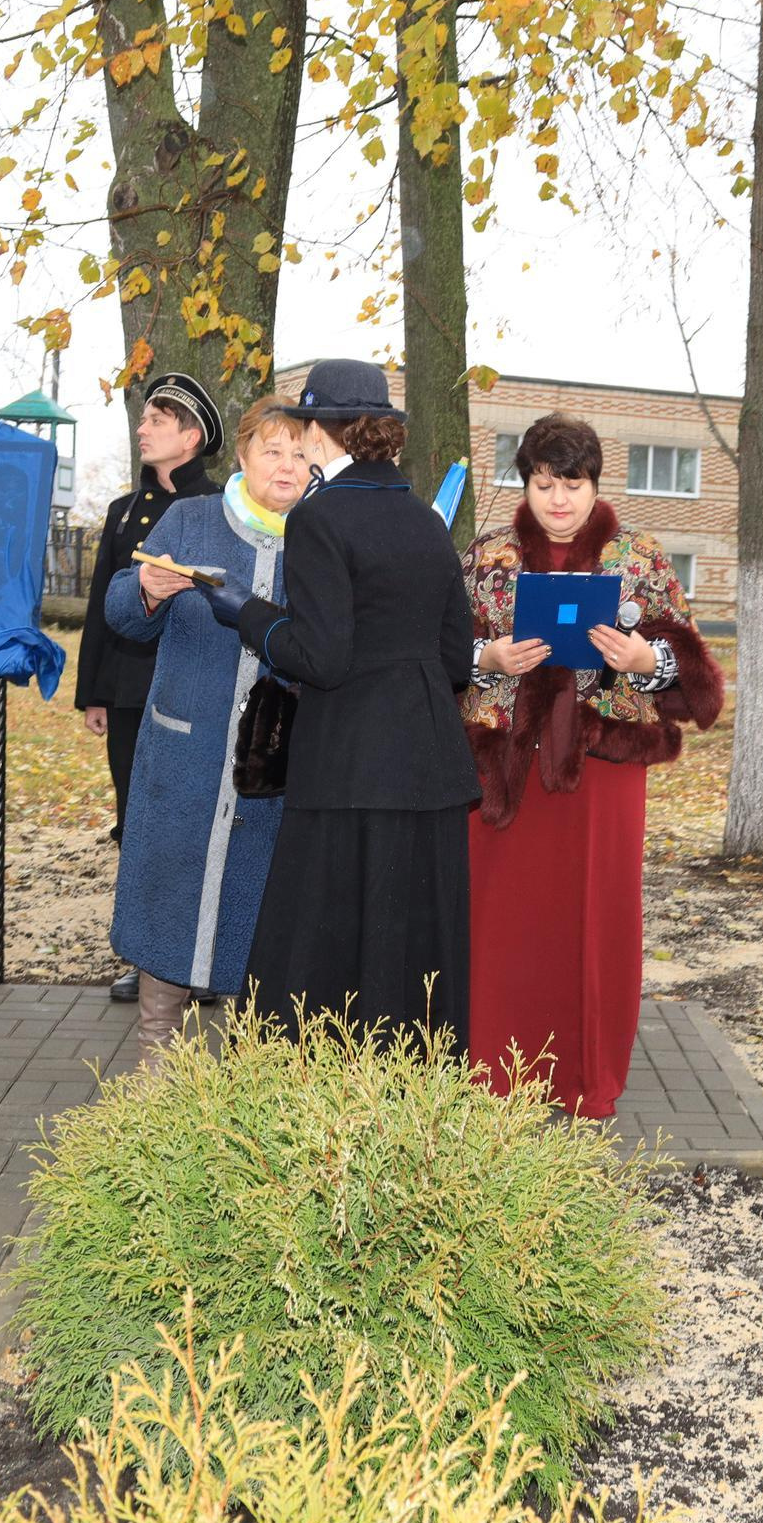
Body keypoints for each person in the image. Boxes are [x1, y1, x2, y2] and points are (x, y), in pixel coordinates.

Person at [457, 412, 723, 1117]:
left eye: (572, 484)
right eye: (546, 484)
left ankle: (585, 1077)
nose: (559, 500)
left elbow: (693, 671)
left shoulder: (636, 557)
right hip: (504, 776)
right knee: (501, 923)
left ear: (594, 482)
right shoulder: (488, 556)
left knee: (596, 921)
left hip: (602, 774)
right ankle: (494, 1071)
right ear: (527, 483)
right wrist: (489, 658)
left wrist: (646, 659)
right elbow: (442, 652)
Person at [220, 359, 480, 1045]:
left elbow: (320, 657)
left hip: (347, 772)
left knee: (322, 962)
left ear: (315, 431)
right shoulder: (426, 520)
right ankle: (411, 1111)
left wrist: (245, 614)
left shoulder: (318, 518)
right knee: (412, 963)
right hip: (429, 771)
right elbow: (457, 656)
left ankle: (325, 1117)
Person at [100, 398, 305, 1036]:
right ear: (242, 455)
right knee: (171, 896)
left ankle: (249, 1074)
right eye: (273, 451)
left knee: (261, 905)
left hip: (274, 764)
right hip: (183, 753)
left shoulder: (322, 538)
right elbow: (119, 613)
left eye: (301, 454)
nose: (288, 466)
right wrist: (144, 591)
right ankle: (154, 1059)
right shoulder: (190, 519)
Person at [74, 371, 221, 1005]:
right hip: (132, 693)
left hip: (198, 690)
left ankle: (208, 958)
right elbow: (103, 606)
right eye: (145, 418)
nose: (144, 427)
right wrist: (94, 693)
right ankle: (149, 956)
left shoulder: (220, 507)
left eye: (158, 420)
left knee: (201, 826)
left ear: (189, 437)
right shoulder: (123, 512)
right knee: (138, 826)